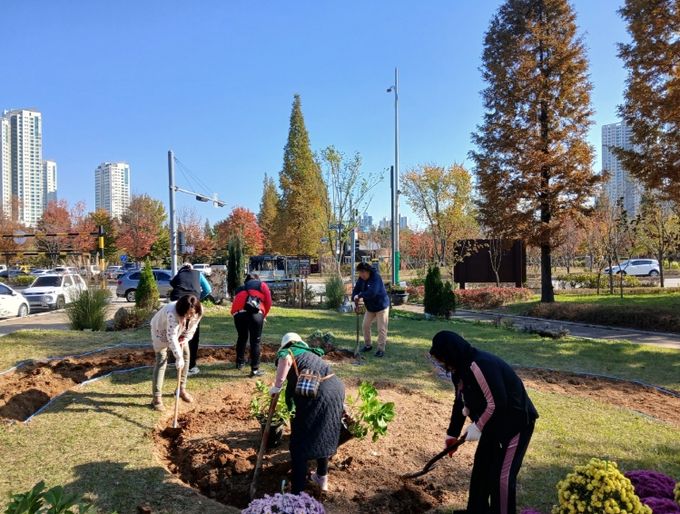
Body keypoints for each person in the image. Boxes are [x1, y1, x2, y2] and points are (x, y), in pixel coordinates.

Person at [429, 330, 538, 514]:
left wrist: (478, 426)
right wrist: (452, 435)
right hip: (491, 424)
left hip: (515, 424)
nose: (442, 364)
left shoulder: (479, 365)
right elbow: (460, 402)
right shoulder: (458, 371)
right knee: (481, 471)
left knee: (501, 478)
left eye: (442, 359)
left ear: (451, 354)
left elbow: (497, 403)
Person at [269, 332, 345, 494]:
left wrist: (276, 387)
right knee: (323, 433)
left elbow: (284, 363)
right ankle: (321, 478)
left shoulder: (288, 352)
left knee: (299, 442)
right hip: (336, 388)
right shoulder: (310, 353)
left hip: (317, 392)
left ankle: (298, 491)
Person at [150, 294, 203, 411]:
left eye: (192, 313)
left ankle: (181, 389)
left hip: (181, 330)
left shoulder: (199, 310)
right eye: (187, 313)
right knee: (161, 359)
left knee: (186, 355)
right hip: (161, 330)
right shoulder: (172, 313)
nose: (190, 316)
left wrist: (186, 338)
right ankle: (156, 398)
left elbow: (193, 326)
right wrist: (178, 357)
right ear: (182, 310)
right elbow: (172, 337)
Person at [170, 263, 212, 376]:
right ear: (192, 268)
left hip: (177, 305)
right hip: (193, 306)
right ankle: (191, 365)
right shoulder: (198, 274)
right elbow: (208, 289)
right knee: (192, 335)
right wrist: (197, 299)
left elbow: (172, 284)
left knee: (175, 333)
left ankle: (177, 361)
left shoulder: (179, 274)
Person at [230, 273, 272, 377]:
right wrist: (264, 315)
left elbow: (235, 303)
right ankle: (254, 369)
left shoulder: (240, 289)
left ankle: (239, 363)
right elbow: (268, 302)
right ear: (257, 279)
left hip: (238, 314)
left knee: (242, 337)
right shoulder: (262, 285)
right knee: (255, 342)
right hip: (255, 314)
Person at [351, 262, 390, 357]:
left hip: (381, 306)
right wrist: (354, 299)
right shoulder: (361, 279)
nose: (361, 275)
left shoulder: (376, 277)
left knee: (381, 328)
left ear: (368, 271)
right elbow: (356, 290)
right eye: (360, 273)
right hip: (370, 307)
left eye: (363, 273)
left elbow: (372, 292)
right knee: (365, 326)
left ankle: (381, 349)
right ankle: (368, 345)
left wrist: (359, 295)